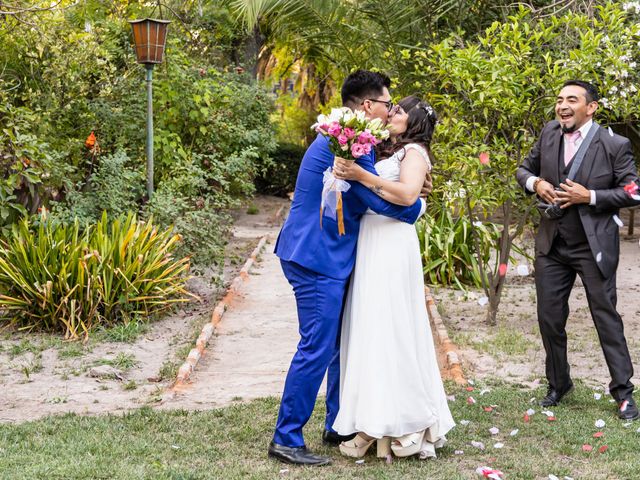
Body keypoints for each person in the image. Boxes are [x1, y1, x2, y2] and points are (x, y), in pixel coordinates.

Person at [269, 70, 430, 466]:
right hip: (316, 257)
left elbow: (370, 188)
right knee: (317, 347)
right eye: (387, 104)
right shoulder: (346, 143)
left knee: (340, 345)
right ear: (366, 106)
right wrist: (415, 205)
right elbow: (372, 198)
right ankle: (286, 437)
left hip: (329, 256)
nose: (391, 110)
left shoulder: (353, 139)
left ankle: (338, 423)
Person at [331, 96, 455, 459]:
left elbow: (407, 194)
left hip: (391, 242)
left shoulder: (414, 152)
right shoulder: (387, 149)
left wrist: (360, 175)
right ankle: (375, 424)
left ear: (414, 121)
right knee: (372, 328)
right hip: (372, 240)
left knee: (392, 328)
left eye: (400, 110)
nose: (392, 113)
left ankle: (403, 424)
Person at [516, 80, 639, 420]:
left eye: (572, 99)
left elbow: (634, 191)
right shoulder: (549, 133)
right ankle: (559, 383)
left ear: (592, 107)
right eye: (559, 100)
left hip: (593, 247)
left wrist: (591, 197)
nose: (563, 105)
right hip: (552, 245)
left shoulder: (615, 144)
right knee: (549, 318)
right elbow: (523, 169)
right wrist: (536, 183)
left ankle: (624, 393)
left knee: (606, 319)